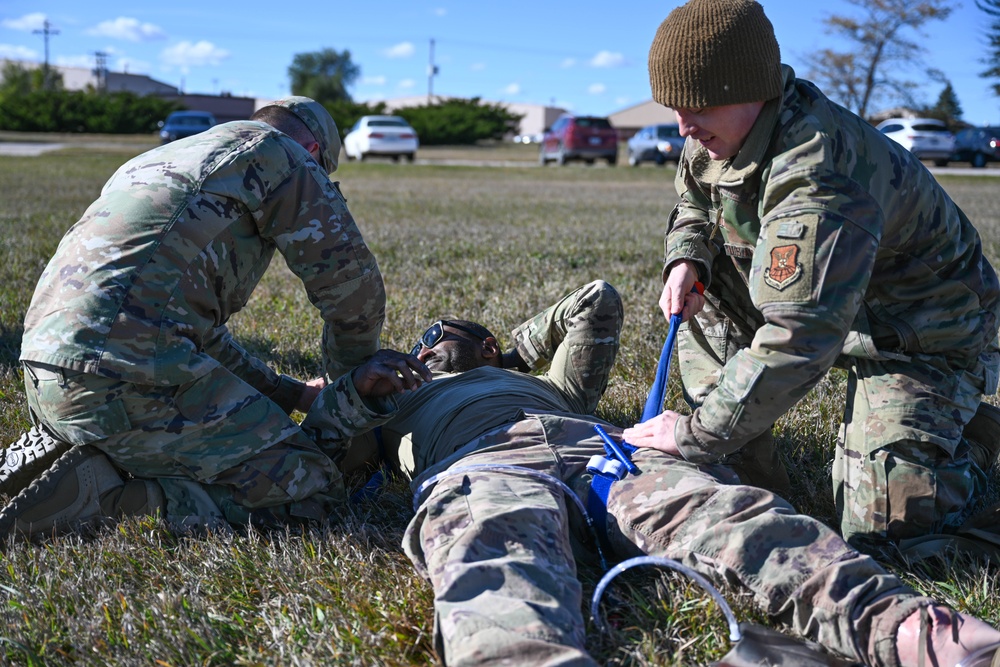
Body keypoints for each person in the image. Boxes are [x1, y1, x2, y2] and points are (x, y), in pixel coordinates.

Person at [256, 280, 1000, 665]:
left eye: (445, 338)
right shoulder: (393, 411)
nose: (427, 345)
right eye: (421, 343)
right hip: (480, 469)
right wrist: (356, 396)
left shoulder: (554, 382)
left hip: (601, 450)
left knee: (738, 521)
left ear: (487, 349)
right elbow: (320, 468)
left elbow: (595, 303)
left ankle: (916, 635)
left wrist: (507, 353)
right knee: (493, 567)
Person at [623, 0, 1000, 555]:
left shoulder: (817, 172)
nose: (682, 126)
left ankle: (969, 438)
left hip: (918, 333)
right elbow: (695, 205)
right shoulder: (714, 133)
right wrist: (687, 260)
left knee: (888, 538)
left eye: (696, 106)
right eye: (674, 107)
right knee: (707, 286)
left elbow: (799, 339)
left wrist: (692, 435)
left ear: (752, 86)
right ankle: (740, 455)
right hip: (835, 308)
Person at [4, 96, 386, 531]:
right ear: (315, 154)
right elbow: (353, 292)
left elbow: (195, 336)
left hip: (44, 369)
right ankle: (108, 499)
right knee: (310, 484)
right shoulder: (285, 157)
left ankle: (80, 442)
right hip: (127, 377)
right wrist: (351, 389)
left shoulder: (155, 160)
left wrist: (291, 394)